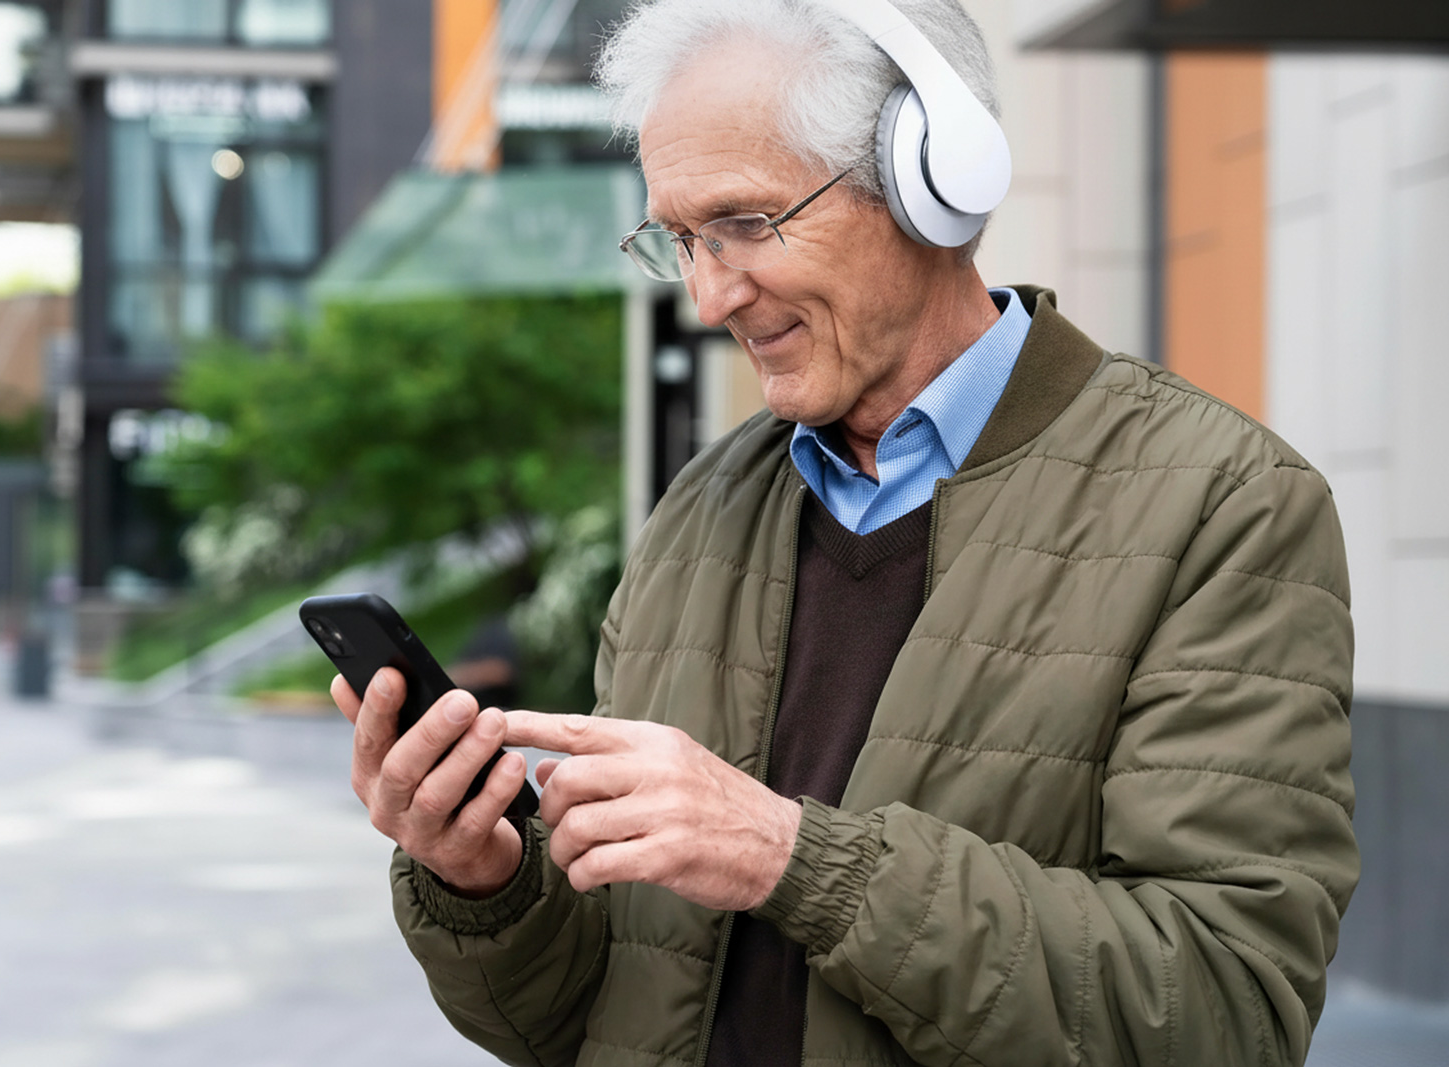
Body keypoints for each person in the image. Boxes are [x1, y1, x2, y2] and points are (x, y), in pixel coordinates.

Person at [329, 1, 1359, 1064]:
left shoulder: (1222, 503)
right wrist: (484, 880)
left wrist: (789, 855)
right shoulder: (700, 508)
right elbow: (582, 1017)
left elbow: (1225, 1008)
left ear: (931, 183)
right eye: (679, 239)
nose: (707, 292)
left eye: (743, 223)